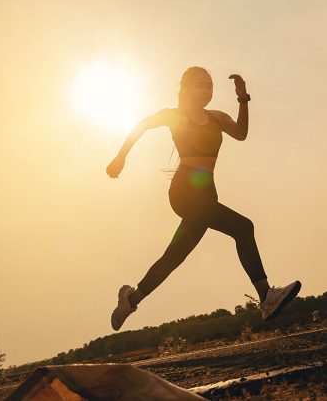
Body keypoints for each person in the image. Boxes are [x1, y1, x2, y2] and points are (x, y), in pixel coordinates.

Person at [106, 67, 301, 331]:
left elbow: (241, 133)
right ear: (185, 88)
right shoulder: (173, 116)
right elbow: (141, 125)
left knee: (176, 255)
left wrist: (243, 99)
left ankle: (131, 299)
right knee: (244, 227)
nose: (206, 90)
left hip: (208, 192)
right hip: (184, 190)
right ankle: (266, 296)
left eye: (209, 86)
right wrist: (121, 156)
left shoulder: (217, 117)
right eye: (200, 85)